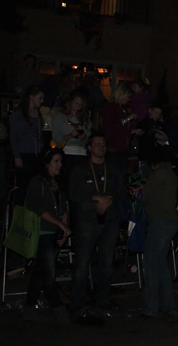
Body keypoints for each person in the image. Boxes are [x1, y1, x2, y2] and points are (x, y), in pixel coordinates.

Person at [67, 132, 125, 320]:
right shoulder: (81, 169)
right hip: (88, 221)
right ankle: (77, 303)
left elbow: (122, 191)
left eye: (104, 144)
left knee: (106, 264)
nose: (102, 147)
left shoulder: (112, 168)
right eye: (98, 144)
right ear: (89, 148)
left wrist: (108, 199)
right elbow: (73, 193)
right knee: (82, 264)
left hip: (109, 221)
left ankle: (102, 299)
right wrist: (95, 197)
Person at [22, 148, 72, 325]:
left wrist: (64, 229)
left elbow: (63, 208)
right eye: (56, 161)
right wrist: (60, 224)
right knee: (49, 275)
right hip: (43, 232)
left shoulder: (57, 184)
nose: (60, 165)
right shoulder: (37, 182)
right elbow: (36, 207)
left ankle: (29, 308)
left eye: (61, 161)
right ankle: (59, 309)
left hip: (54, 233)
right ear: (47, 163)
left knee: (41, 272)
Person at [140, 148, 178, 320]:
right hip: (169, 221)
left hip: (160, 222)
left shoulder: (159, 173)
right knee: (161, 264)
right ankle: (168, 305)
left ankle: (151, 308)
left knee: (150, 264)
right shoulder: (169, 172)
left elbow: (144, 194)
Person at [51, 89, 91, 189]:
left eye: (80, 105)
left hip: (81, 155)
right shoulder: (60, 117)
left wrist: (83, 137)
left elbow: (89, 138)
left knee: (79, 186)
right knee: (65, 185)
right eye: (76, 104)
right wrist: (69, 135)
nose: (77, 107)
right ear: (70, 102)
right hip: (66, 154)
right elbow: (56, 139)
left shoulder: (85, 118)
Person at [10, 85, 45, 189]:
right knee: (23, 186)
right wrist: (17, 156)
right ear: (31, 97)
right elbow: (13, 135)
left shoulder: (37, 114)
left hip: (36, 155)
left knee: (35, 186)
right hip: (24, 154)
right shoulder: (18, 113)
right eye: (40, 98)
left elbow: (39, 135)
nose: (42, 101)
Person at [101, 81, 134, 177]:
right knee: (114, 176)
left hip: (122, 148)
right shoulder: (110, 108)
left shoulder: (122, 109)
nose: (129, 100)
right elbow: (113, 125)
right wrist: (128, 119)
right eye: (128, 97)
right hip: (113, 148)